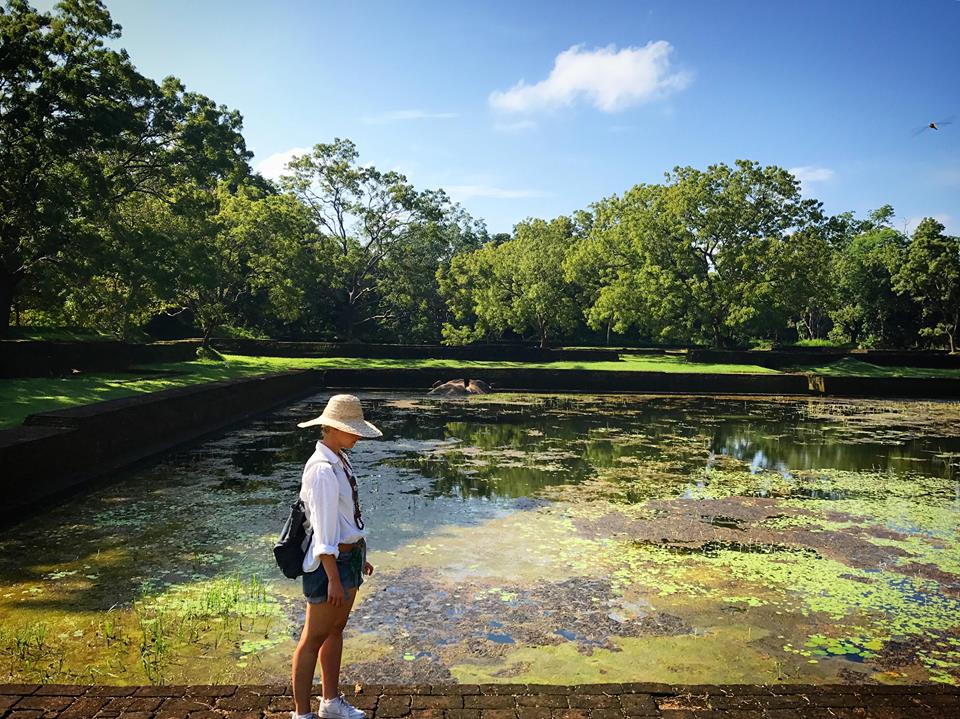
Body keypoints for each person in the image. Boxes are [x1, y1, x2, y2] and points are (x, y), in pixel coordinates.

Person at [291, 394, 382, 719]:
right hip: (331, 565)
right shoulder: (322, 470)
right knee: (312, 638)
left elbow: (346, 518)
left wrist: (361, 552)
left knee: (335, 630)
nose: (357, 435)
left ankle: (330, 701)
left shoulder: (340, 459)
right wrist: (332, 577)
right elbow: (324, 530)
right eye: (351, 429)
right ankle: (302, 713)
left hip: (349, 558)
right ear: (331, 428)